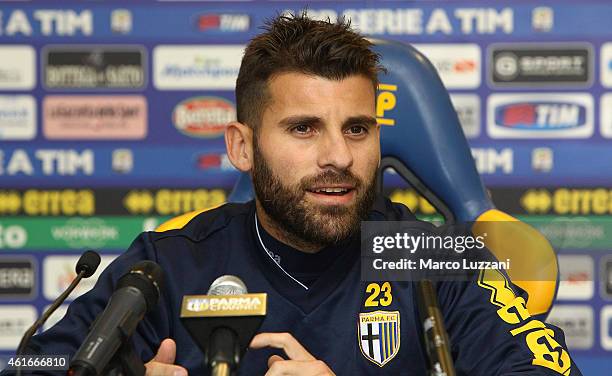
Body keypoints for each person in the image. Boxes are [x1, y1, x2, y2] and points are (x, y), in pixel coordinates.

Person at [14, 13, 581, 376]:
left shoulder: (434, 261)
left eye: (357, 129)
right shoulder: (170, 262)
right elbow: (35, 364)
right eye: (304, 128)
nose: (338, 155)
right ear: (242, 146)